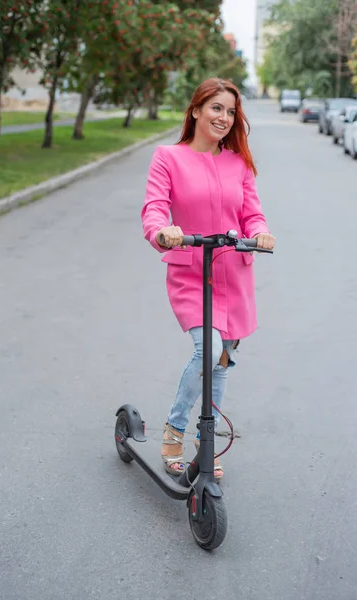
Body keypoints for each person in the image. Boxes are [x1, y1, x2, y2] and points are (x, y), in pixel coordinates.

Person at [140, 78, 275, 481]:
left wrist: (262, 230)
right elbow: (154, 208)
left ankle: (207, 444)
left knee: (220, 365)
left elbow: (251, 214)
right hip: (192, 273)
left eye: (231, 111)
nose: (224, 117)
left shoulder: (238, 163)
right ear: (196, 110)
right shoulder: (167, 157)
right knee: (210, 349)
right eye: (216, 108)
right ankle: (175, 428)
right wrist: (162, 231)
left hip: (234, 274)